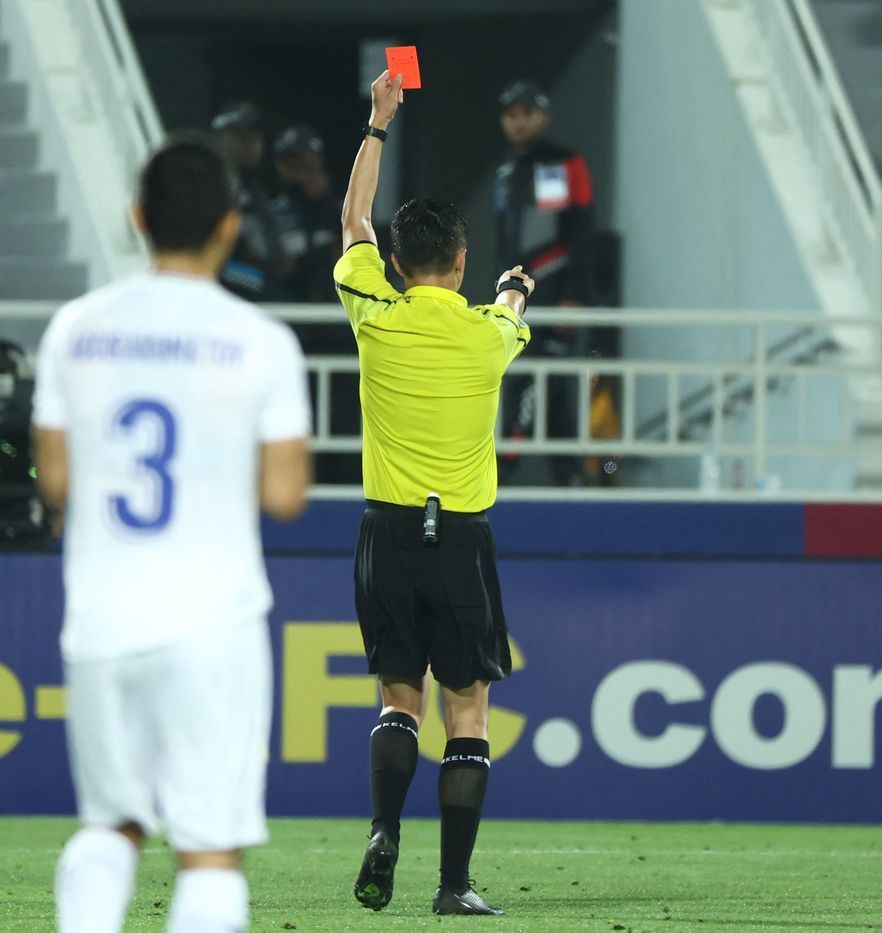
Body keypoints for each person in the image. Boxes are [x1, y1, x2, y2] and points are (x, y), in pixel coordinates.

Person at [33, 136, 312, 932]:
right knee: (210, 846)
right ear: (230, 226)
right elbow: (286, 494)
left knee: (109, 823)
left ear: (137, 218)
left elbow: (54, 484)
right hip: (212, 620)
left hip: (103, 615)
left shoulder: (74, 330)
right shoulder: (262, 341)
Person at [336, 70, 532, 918]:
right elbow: (510, 305)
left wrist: (379, 123)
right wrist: (515, 289)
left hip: (384, 532)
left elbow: (351, 222)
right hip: (461, 540)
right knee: (470, 707)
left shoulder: (373, 311)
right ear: (461, 261)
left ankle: (385, 828)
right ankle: (452, 885)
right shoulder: (491, 335)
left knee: (396, 698)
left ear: (394, 263)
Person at [493, 80, 597, 486]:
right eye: (510, 115)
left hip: (555, 291)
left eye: (526, 114)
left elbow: (582, 230)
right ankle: (564, 474)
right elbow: (507, 240)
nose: (518, 123)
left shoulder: (566, 161)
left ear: (544, 117)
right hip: (518, 291)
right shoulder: (505, 169)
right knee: (532, 379)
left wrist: (575, 293)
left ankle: (510, 469)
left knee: (542, 377)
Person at [211, 101, 285, 300]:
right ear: (220, 139)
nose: (251, 143)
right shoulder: (211, 182)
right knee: (265, 285)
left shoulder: (253, 186)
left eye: (255, 137)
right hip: (216, 270)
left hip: (252, 272)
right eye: (241, 137)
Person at [270, 125, 342, 302]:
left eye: (302, 160)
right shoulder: (275, 209)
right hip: (290, 300)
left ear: (316, 160)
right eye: (288, 162)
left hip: (335, 302)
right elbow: (280, 266)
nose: (296, 168)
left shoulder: (342, 206)